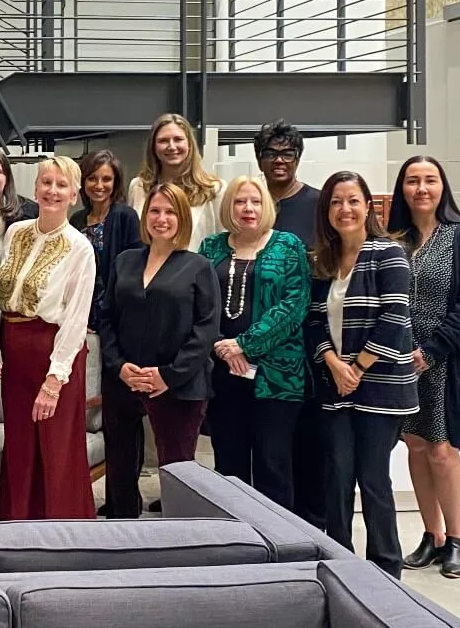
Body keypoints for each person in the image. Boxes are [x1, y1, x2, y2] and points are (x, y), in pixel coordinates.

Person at [306, 171, 417, 578]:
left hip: (380, 388)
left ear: (368, 206)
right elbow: (314, 322)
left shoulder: (389, 252)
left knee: (373, 480)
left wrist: (356, 368)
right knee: (335, 478)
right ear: (327, 210)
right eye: (336, 201)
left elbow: (394, 317)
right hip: (336, 385)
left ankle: (386, 569)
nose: (345, 209)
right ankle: (340, 564)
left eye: (353, 200)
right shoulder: (323, 261)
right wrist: (334, 364)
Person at [388, 156, 460, 580]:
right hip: (400, 364)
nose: (422, 189)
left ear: (443, 187)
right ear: (402, 189)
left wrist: (430, 351)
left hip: (445, 361)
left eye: (430, 180)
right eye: (413, 181)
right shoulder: (395, 239)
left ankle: (457, 539)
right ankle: (432, 536)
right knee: (414, 446)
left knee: (443, 450)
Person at [99, 183, 219, 517]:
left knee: (176, 470)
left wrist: (168, 375)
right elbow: (106, 316)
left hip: (177, 384)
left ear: (182, 218)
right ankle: (122, 530)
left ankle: (178, 539)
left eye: (170, 212)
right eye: (155, 210)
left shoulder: (198, 266)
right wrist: (119, 366)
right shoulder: (125, 261)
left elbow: (206, 328)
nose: (161, 218)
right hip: (123, 379)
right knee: (120, 467)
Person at [200, 176, 310, 509]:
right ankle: (238, 541)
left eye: (255, 201)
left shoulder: (287, 245)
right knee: (228, 463)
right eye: (239, 201)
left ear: (266, 206)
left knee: (272, 463)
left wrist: (245, 345)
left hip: (277, 376)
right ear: (228, 207)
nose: (248, 209)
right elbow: (200, 304)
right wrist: (222, 345)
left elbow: (295, 304)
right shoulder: (211, 247)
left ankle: (280, 545)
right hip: (223, 373)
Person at [0, 155, 97, 520]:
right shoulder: (15, 232)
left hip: (54, 356)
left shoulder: (79, 248)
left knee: (55, 448)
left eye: (61, 185)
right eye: (46, 182)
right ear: (35, 188)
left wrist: (54, 380)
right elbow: (2, 299)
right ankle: (15, 524)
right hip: (14, 353)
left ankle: (59, 531)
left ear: (74, 195)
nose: (52, 190)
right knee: (20, 445)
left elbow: (75, 319)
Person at [255, 119, 325, 530]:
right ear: (259, 158)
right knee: (270, 452)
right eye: (271, 153)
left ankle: (314, 529)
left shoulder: (318, 205)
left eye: (287, 153)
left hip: (313, 340)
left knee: (311, 447)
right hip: (261, 348)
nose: (279, 161)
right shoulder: (251, 205)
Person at [128, 113, 223, 253]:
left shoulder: (214, 190)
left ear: (190, 145)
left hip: (196, 272)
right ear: (153, 146)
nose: (171, 147)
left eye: (178, 139)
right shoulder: (138, 187)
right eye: (163, 141)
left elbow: (223, 242)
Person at [70, 149, 141, 329]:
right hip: (82, 312)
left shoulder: (126, 216)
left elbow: (135, 269)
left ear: (115, 182)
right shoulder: (76, 220)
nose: (99, 185)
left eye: (106, 179)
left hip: (117, 313)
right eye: (92, 178)